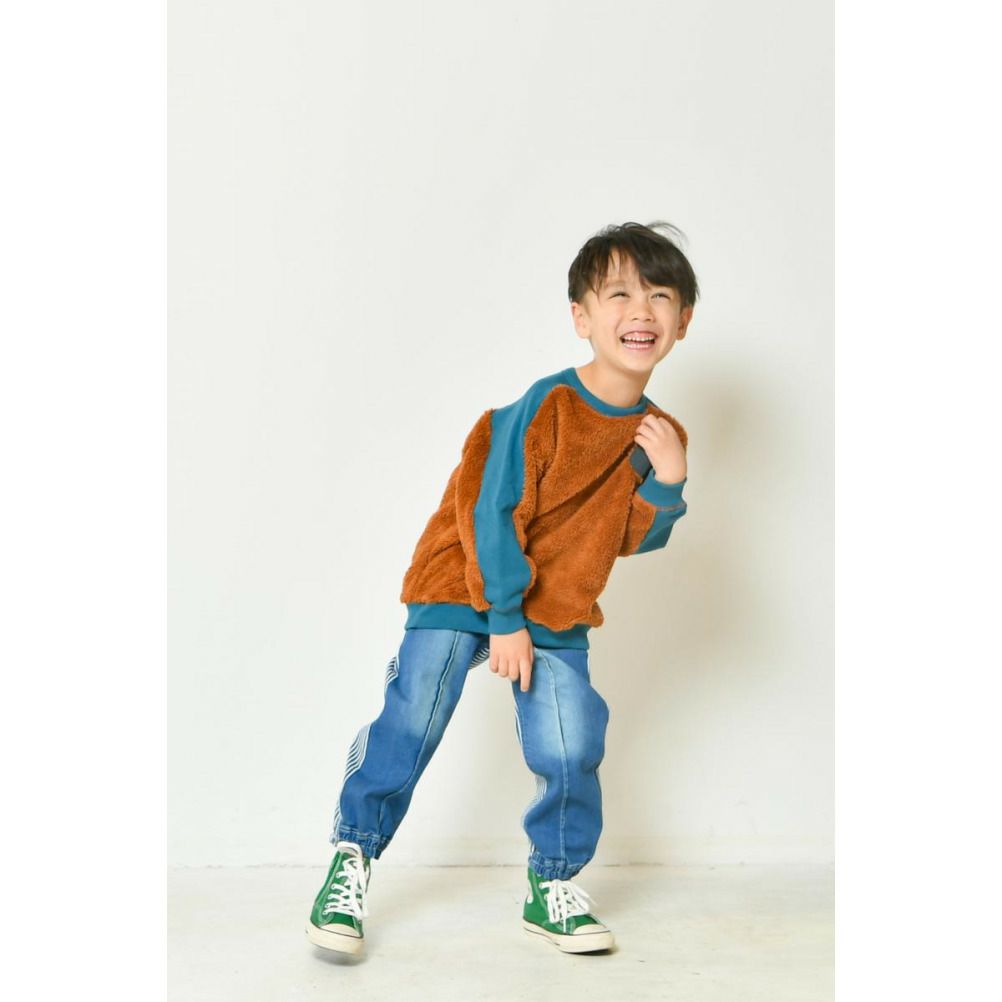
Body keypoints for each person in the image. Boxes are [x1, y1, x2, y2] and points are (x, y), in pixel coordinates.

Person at [306, 220, 699, 956]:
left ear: (683, 321)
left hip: (556, 604)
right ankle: (351, 855)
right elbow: (494, 510)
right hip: (466, 578)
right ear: (582, 316)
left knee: (571, 741)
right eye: (619, 294)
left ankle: (551, 884)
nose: (640, 311)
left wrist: (670, 482)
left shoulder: (659, 435)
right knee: (415, 714)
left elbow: (628, 538)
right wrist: (505, 616)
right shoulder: (546, 407)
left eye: (659, 296)